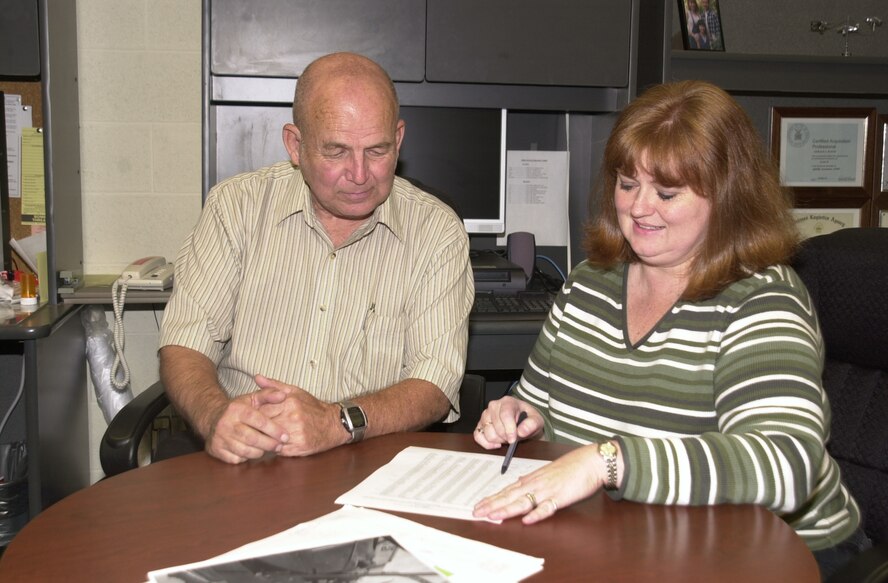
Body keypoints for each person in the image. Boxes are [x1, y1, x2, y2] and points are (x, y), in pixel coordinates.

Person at [471, 80, 869, 580]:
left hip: (777, 556)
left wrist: (607, 462)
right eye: (627, 184)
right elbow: (543, 409)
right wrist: (521, 418)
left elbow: (786, 464)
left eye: (666, 192)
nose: (639, 207)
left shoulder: (762, 300)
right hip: (631, 538)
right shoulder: (589, 283)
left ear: (726, 197)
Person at [159, 52, 474, 465]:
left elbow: (434, 383)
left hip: (367, 459)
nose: (359, 174)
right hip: (249, 458)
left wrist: (336, 422)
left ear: (398, 139)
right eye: (336, 151)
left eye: (377, 151)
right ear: (296, 145)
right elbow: (185, 343)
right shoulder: (236, 208)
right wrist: (215, 415)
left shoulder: (436, 232)